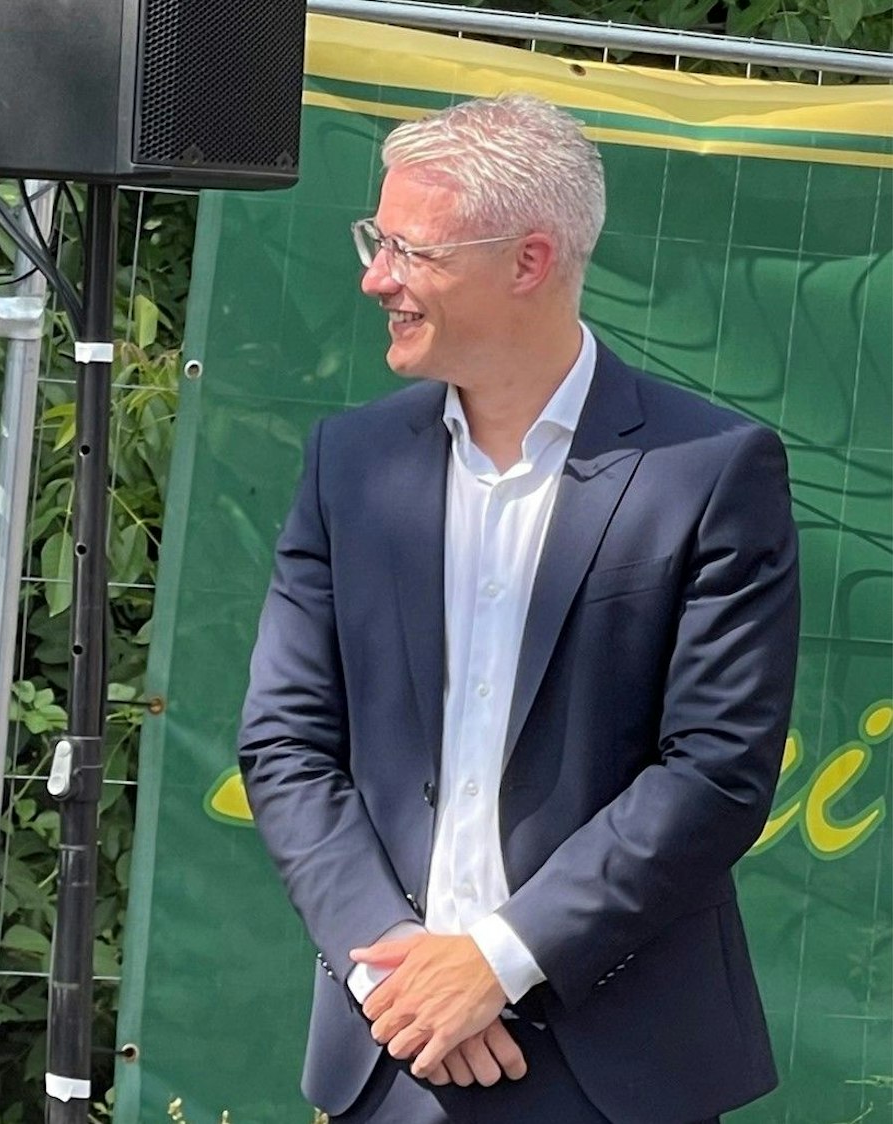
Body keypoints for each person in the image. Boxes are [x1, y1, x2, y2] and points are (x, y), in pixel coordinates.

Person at [237, 93, 799, 1124]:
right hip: (388, 1054)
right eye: (377, 240)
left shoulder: (710, 471)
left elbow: (717, 769)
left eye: (408, 249)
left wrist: (495, 960)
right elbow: (284, 741)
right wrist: (400, 986)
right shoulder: (347, 464)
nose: (375, 278)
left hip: (619, 1069)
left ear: (528, 262)